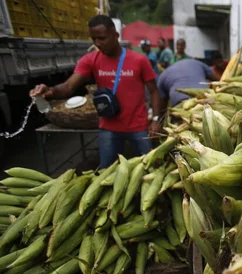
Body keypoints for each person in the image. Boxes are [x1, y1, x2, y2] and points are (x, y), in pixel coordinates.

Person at [30, 15, 162, 168]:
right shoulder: (90, 60)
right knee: (106, 171)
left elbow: (154, 91)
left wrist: (155, 119)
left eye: (102, 38)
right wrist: (50, 91)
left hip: (138, 127)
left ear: (116, 36)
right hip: (109, 128)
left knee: (152, 167)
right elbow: (68, 87)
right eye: (94, 39)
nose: (98, 44)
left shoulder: (139, 60)